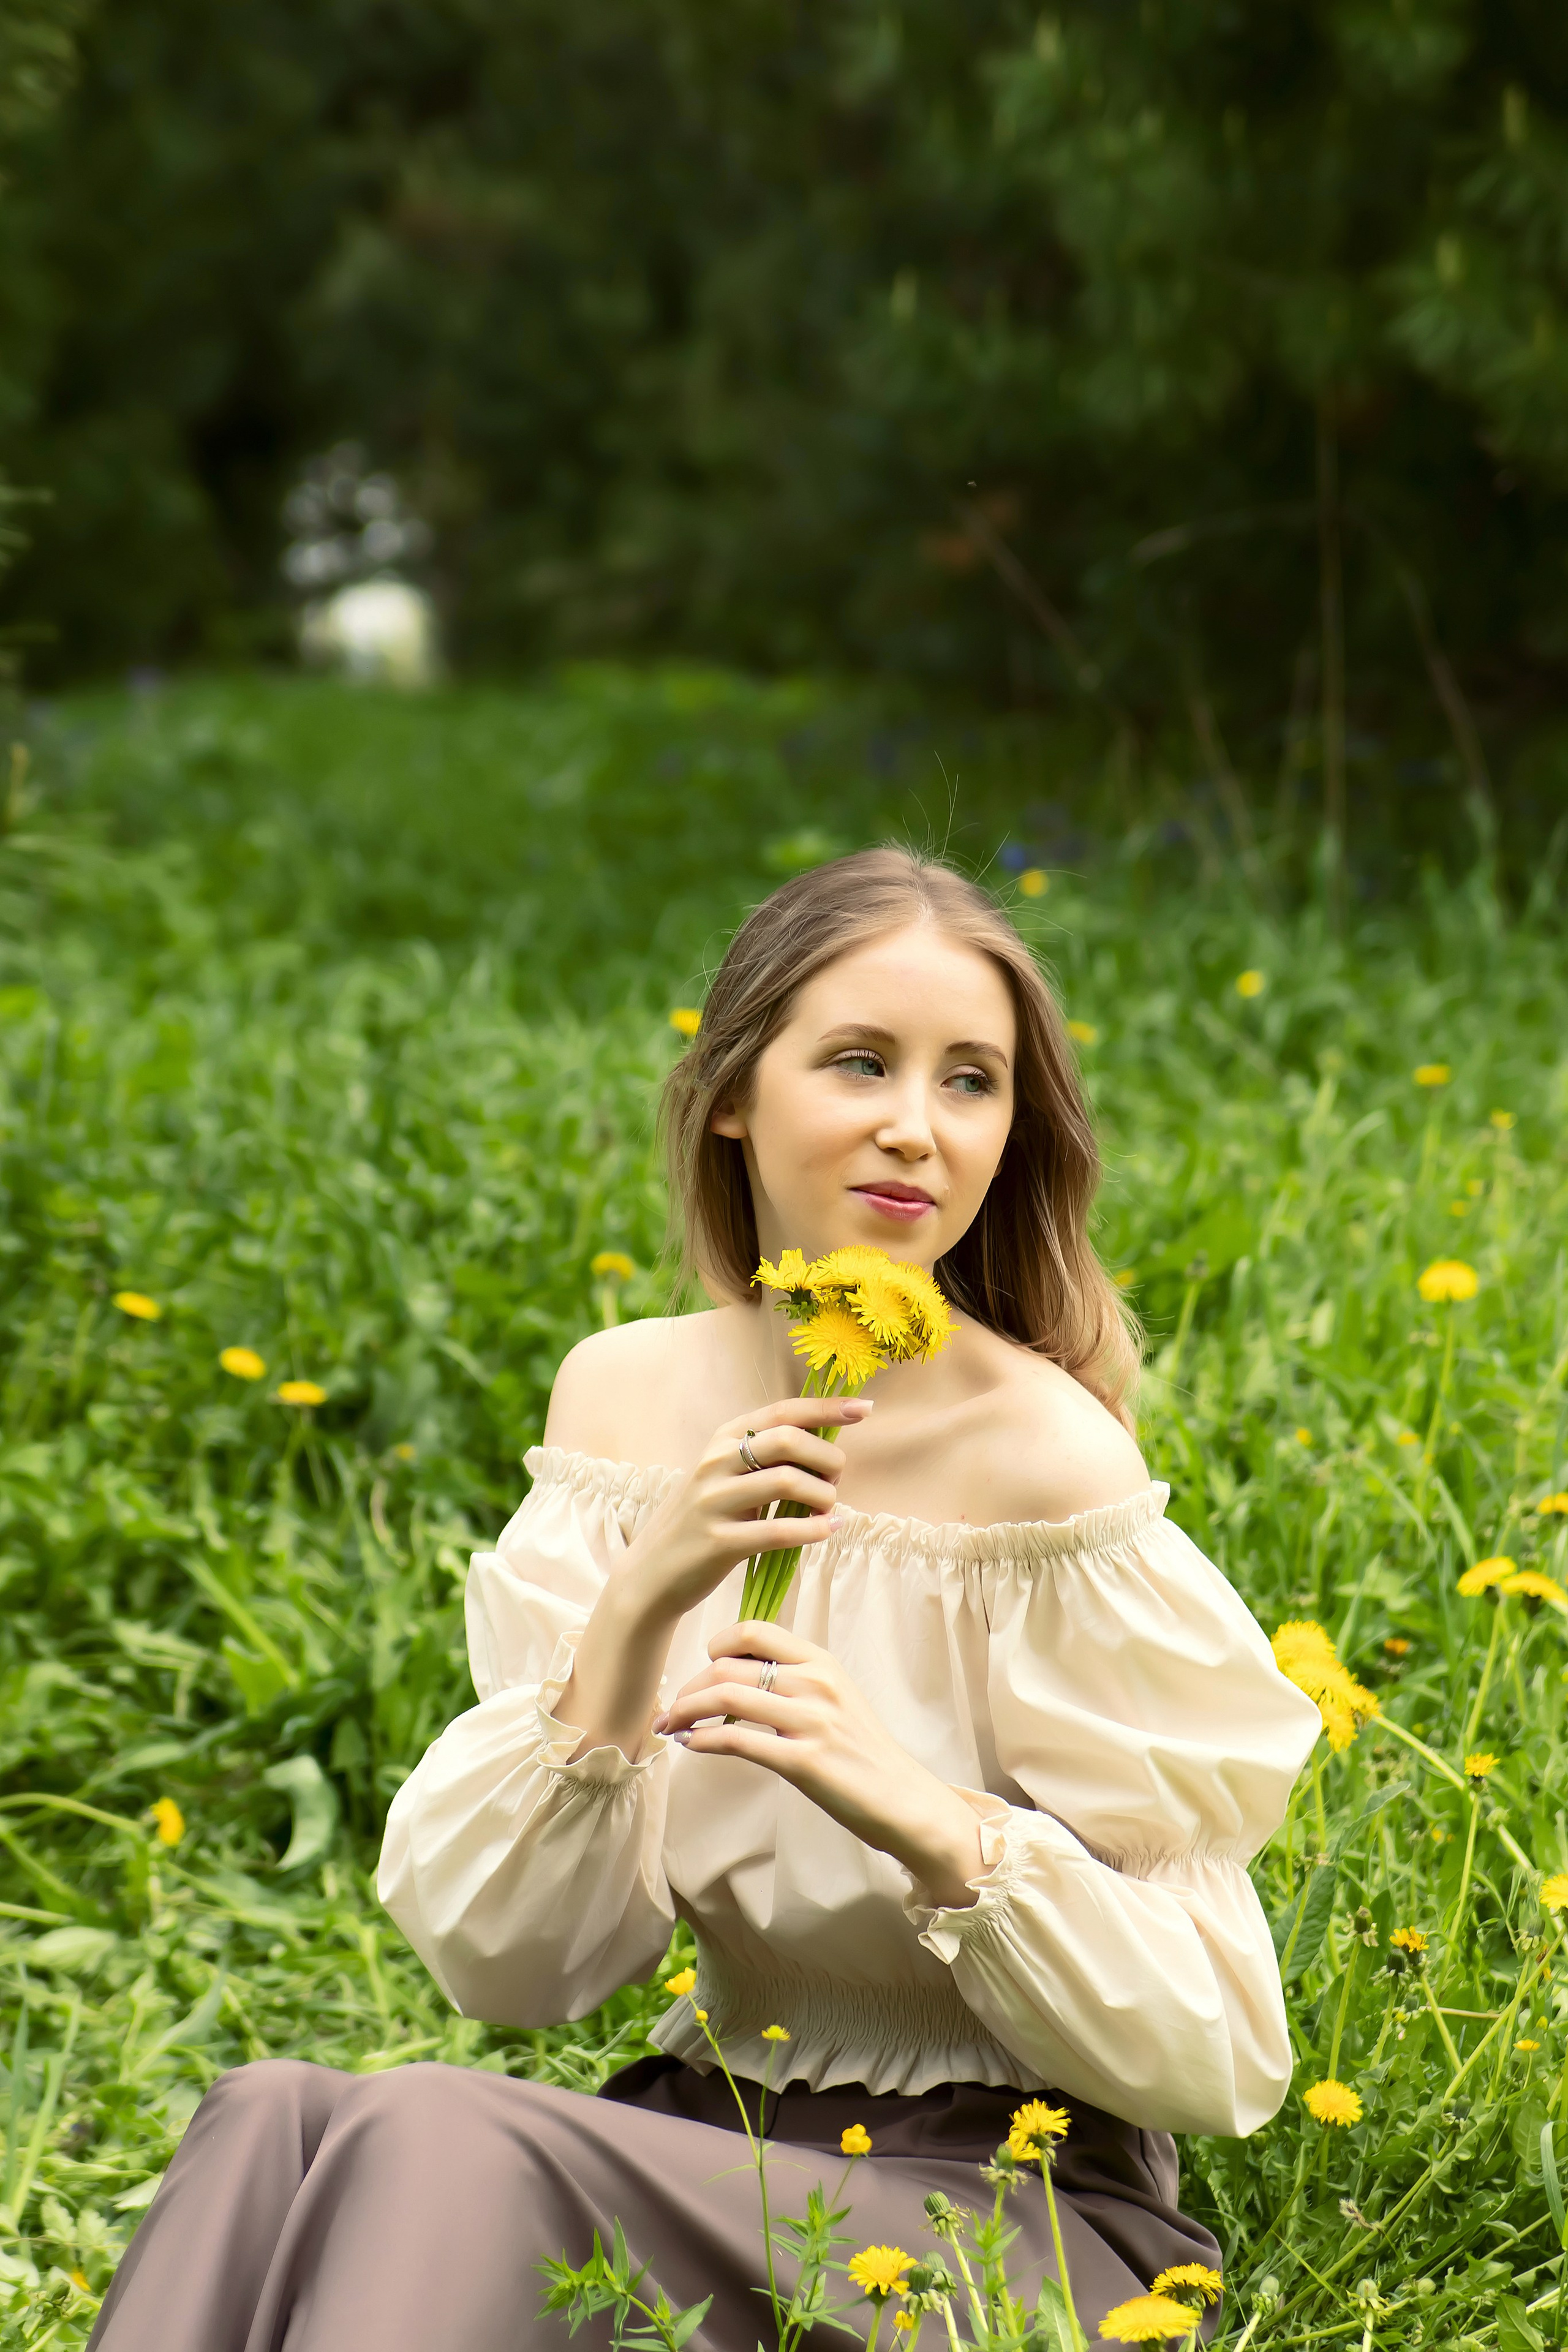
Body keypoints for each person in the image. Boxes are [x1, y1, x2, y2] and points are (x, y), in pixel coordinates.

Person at [89, 848, 1321, 2351]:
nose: (913, 1128)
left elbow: (1220, 2052)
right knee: (273, 2122)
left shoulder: (1045, 1463)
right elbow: (515, 1971)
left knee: (430, 2137)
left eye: (970, 1082)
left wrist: (927, 1819)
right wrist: (639, 1606)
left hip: (1000, 2212)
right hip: (715, 2134)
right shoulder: (623, 1398)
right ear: (732, 1090)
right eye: (858, 1062)